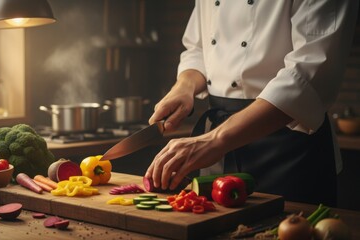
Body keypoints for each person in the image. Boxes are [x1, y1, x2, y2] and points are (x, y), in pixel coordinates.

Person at [145, 0, 359, 206]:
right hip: (215, 150)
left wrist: (214, 140)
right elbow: (197, 49)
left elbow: (308, 74)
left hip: (289, 148)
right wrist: (184, 87)